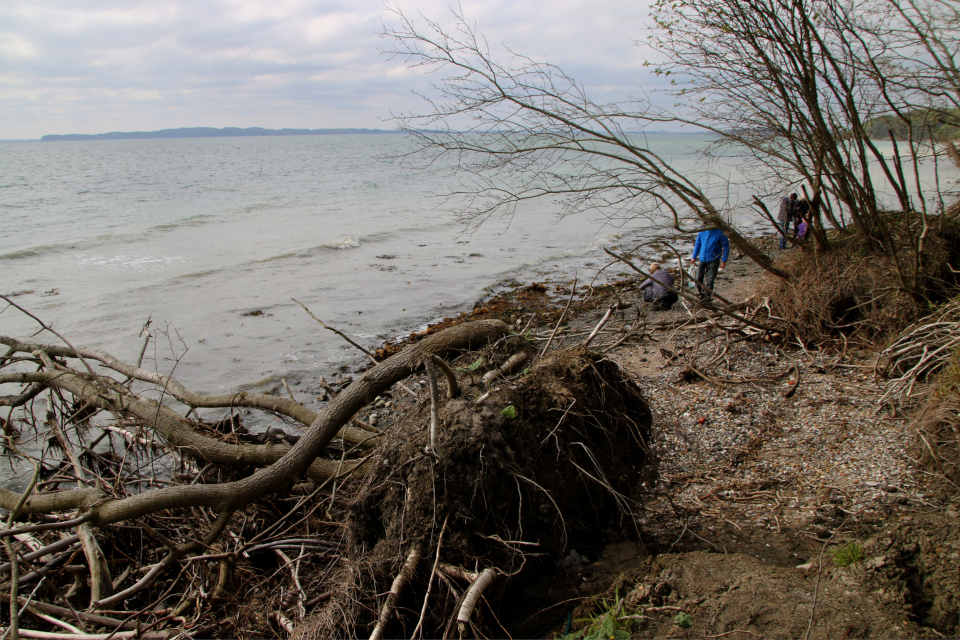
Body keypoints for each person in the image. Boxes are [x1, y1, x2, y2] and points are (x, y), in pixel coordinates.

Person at [691, 226, 730, 303]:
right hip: (702, 258)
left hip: (714, 259)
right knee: (698, 279)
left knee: (710, 281)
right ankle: (703, 295)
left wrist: (724, 260)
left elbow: (726, 246)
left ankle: (707, 298)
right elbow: (698, 244)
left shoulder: (720, 232)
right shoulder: (702, 231)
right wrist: (694, 256)